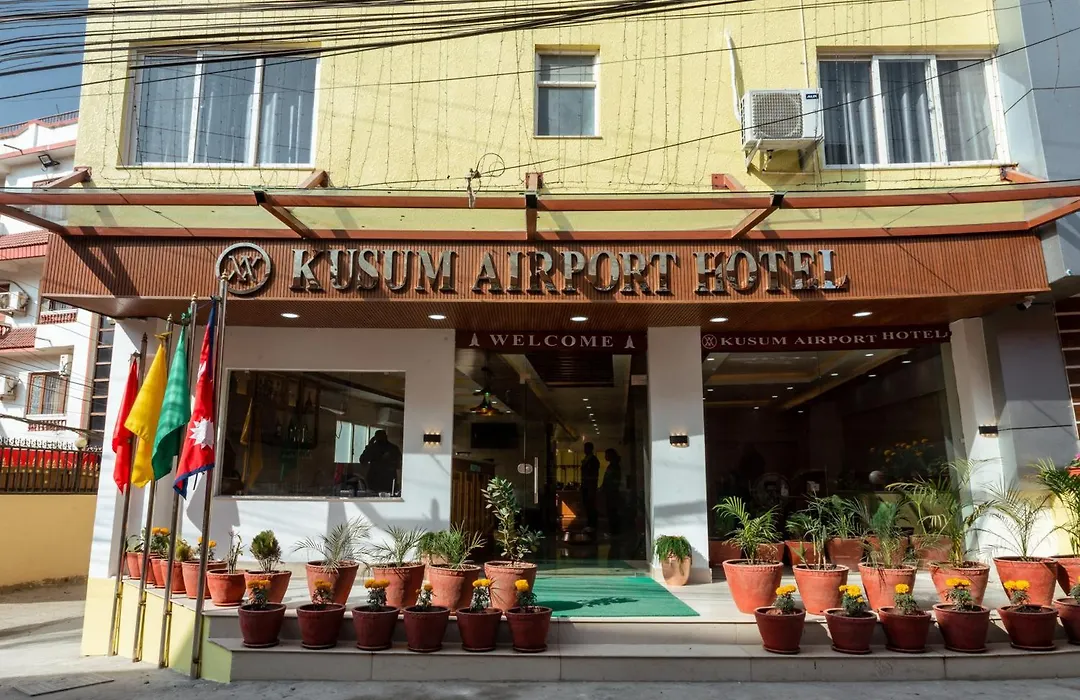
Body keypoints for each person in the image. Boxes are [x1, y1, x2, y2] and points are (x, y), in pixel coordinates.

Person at [359, 430, 402, 495]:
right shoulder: (393, 448)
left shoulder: (373, 448)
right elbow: (399, 465)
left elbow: (362, 460)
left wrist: (369, 446)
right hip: (386, 480)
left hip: (377, 479)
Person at [580, 442, 601, 533]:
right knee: (587, 505)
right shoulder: (587, 459)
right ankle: (590, 524)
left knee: (590, 505)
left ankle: (592, 524)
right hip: (586, 485)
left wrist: (590, 486)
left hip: (590, 486)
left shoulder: (593, 460)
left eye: (586, 448)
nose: (585, 450)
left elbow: (593, 475)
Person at [603, 448, 623, 537]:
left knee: (612, 512)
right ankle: (613, 531)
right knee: (611, 512)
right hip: (610, 492)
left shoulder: (614, 466)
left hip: (612, 492)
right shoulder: (612, 465)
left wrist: (608, 487)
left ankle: (614, 532)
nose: (605, 457)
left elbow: (612, 479)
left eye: (606, 455)